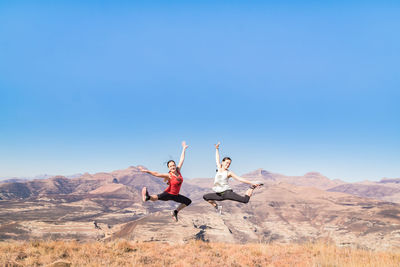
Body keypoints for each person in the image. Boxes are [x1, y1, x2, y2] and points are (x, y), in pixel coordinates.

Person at [203, 142, 263, 214]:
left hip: (227, 193)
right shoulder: (219, 168)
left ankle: (251, 188)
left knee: (245, 200)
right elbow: (217, 159)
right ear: (222, 162)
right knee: (205, 197)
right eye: (227, 162)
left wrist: (251, 182)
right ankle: (217, 207)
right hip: (219, 195)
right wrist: (217, 149)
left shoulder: (229, 173)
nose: (228, 165)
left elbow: (239, 179)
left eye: (229, 164)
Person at [139, 141, 192, 222]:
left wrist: (184, 149)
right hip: (169, 193)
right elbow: (157, 174)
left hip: (176, 195)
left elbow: (182, 160)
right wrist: (147, 171)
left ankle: (175, 212)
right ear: (169, 168)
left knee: (188, 201)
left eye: (173, 165)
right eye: (170, 166)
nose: (173, 167)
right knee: (156, 197)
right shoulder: (169, 175)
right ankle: (147, 197)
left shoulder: (178, 170)